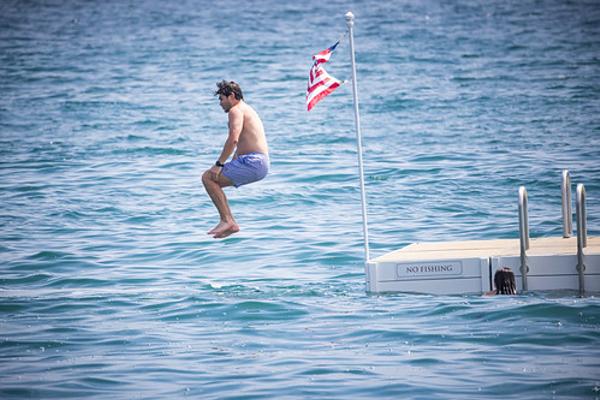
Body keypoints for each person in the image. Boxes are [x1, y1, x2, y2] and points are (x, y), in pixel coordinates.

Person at [202, 80, 269, 239]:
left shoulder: (235, 110)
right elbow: (243, 143)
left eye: (221, 99)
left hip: (253, 162)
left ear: (231, 96)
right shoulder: (247, 109)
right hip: (260, 163)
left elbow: (233, 139)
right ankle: (228, 222)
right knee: (213, 180)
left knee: (208, 177)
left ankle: (228, 221)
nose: (220, 103)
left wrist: (219, 164)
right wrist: (232, 161)